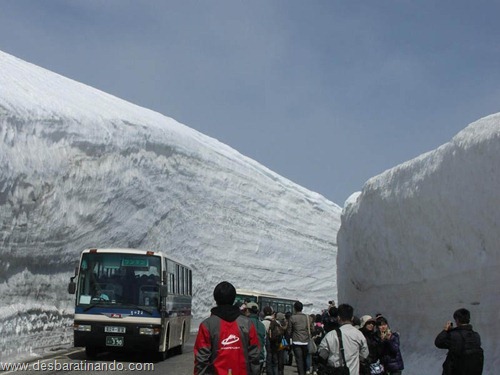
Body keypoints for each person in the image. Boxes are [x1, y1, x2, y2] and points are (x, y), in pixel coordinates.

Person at [194, 281, 261, 375]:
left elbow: (201, 360)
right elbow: (254, 356)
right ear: (233, 299)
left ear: (215, 299)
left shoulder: (207, 325)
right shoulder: (247, 323)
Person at [318, 303, 369, 375]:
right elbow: (364, 355)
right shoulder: (359, 334)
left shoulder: (330, 335)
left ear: (338, 318)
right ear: (352, 318)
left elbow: (322, 354)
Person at [434, 308, 484, 375]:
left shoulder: (454, 335)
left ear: (457, 320)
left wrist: (446, 330)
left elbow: (438, 343)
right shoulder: (476, 335)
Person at [286, 301, 312, 375]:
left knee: (299, 360)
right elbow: (312, 329)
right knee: (305, 358)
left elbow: (289, 330)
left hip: (296, 341)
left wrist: (288, 341)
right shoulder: (308, 317)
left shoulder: (292, 318)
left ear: (294, 308)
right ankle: (305, 371)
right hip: (306, 341)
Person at [245, 302, 267, 372]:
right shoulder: (262, 325)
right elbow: (264, 342)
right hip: (260, 357)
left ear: (247, 311)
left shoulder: (244, 323)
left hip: (247, 358)